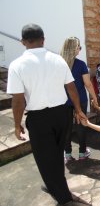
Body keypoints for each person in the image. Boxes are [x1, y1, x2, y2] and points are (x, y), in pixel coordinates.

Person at [7, 24, 87, 205]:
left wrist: (17, 123)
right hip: (62, 114)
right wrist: (79, 110)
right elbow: (72, 87)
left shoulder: (16, 65)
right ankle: (55, 186)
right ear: (43, 39)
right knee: (56, 154)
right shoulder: (58, 60)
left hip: (39, 119)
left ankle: (63, 197)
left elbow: (18, 100)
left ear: (22, 42)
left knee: (45, 159)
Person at [60, 37, 98, 163]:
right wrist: (94, 96)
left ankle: (68, 154)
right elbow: (87, 84)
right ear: (73, 49)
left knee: (66, 128)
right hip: (80, 99)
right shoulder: (81, 64)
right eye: (79, 47)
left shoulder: (59, 63)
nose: (80, 50)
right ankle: (82, 152)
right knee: (81, 125)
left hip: (64, 100)